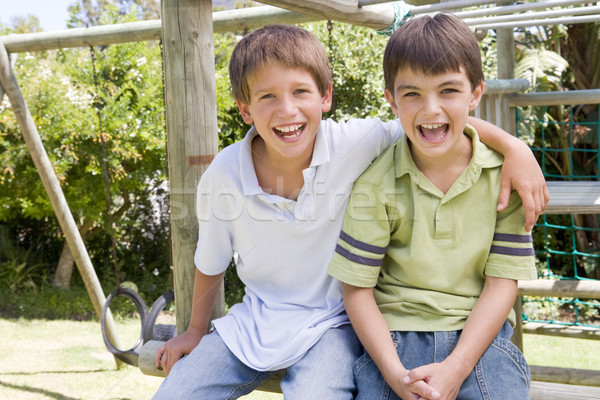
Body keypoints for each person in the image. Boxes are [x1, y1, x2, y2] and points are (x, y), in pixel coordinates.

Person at [152, 23, 546, 399]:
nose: (287, 110)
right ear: (245, 109)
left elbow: (436, 120)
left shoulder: (353, 143)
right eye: (267, 96)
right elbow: (211, 259)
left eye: (300, 92)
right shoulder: (225, 172)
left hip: (335, 325)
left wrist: (516, 149)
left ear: (325, 97)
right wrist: (194, 330)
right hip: (256, 320)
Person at [327, 13, 538, 400]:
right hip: (393, 342)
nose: (430, 110)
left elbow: (501, 284)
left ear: (475, 93)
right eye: (412, 94)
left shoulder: (506, 179)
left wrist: (457, 367)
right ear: (391, 99)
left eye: (448, 91)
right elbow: (356, 291)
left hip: (480, 341)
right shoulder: (374, 185)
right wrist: (394, 374)